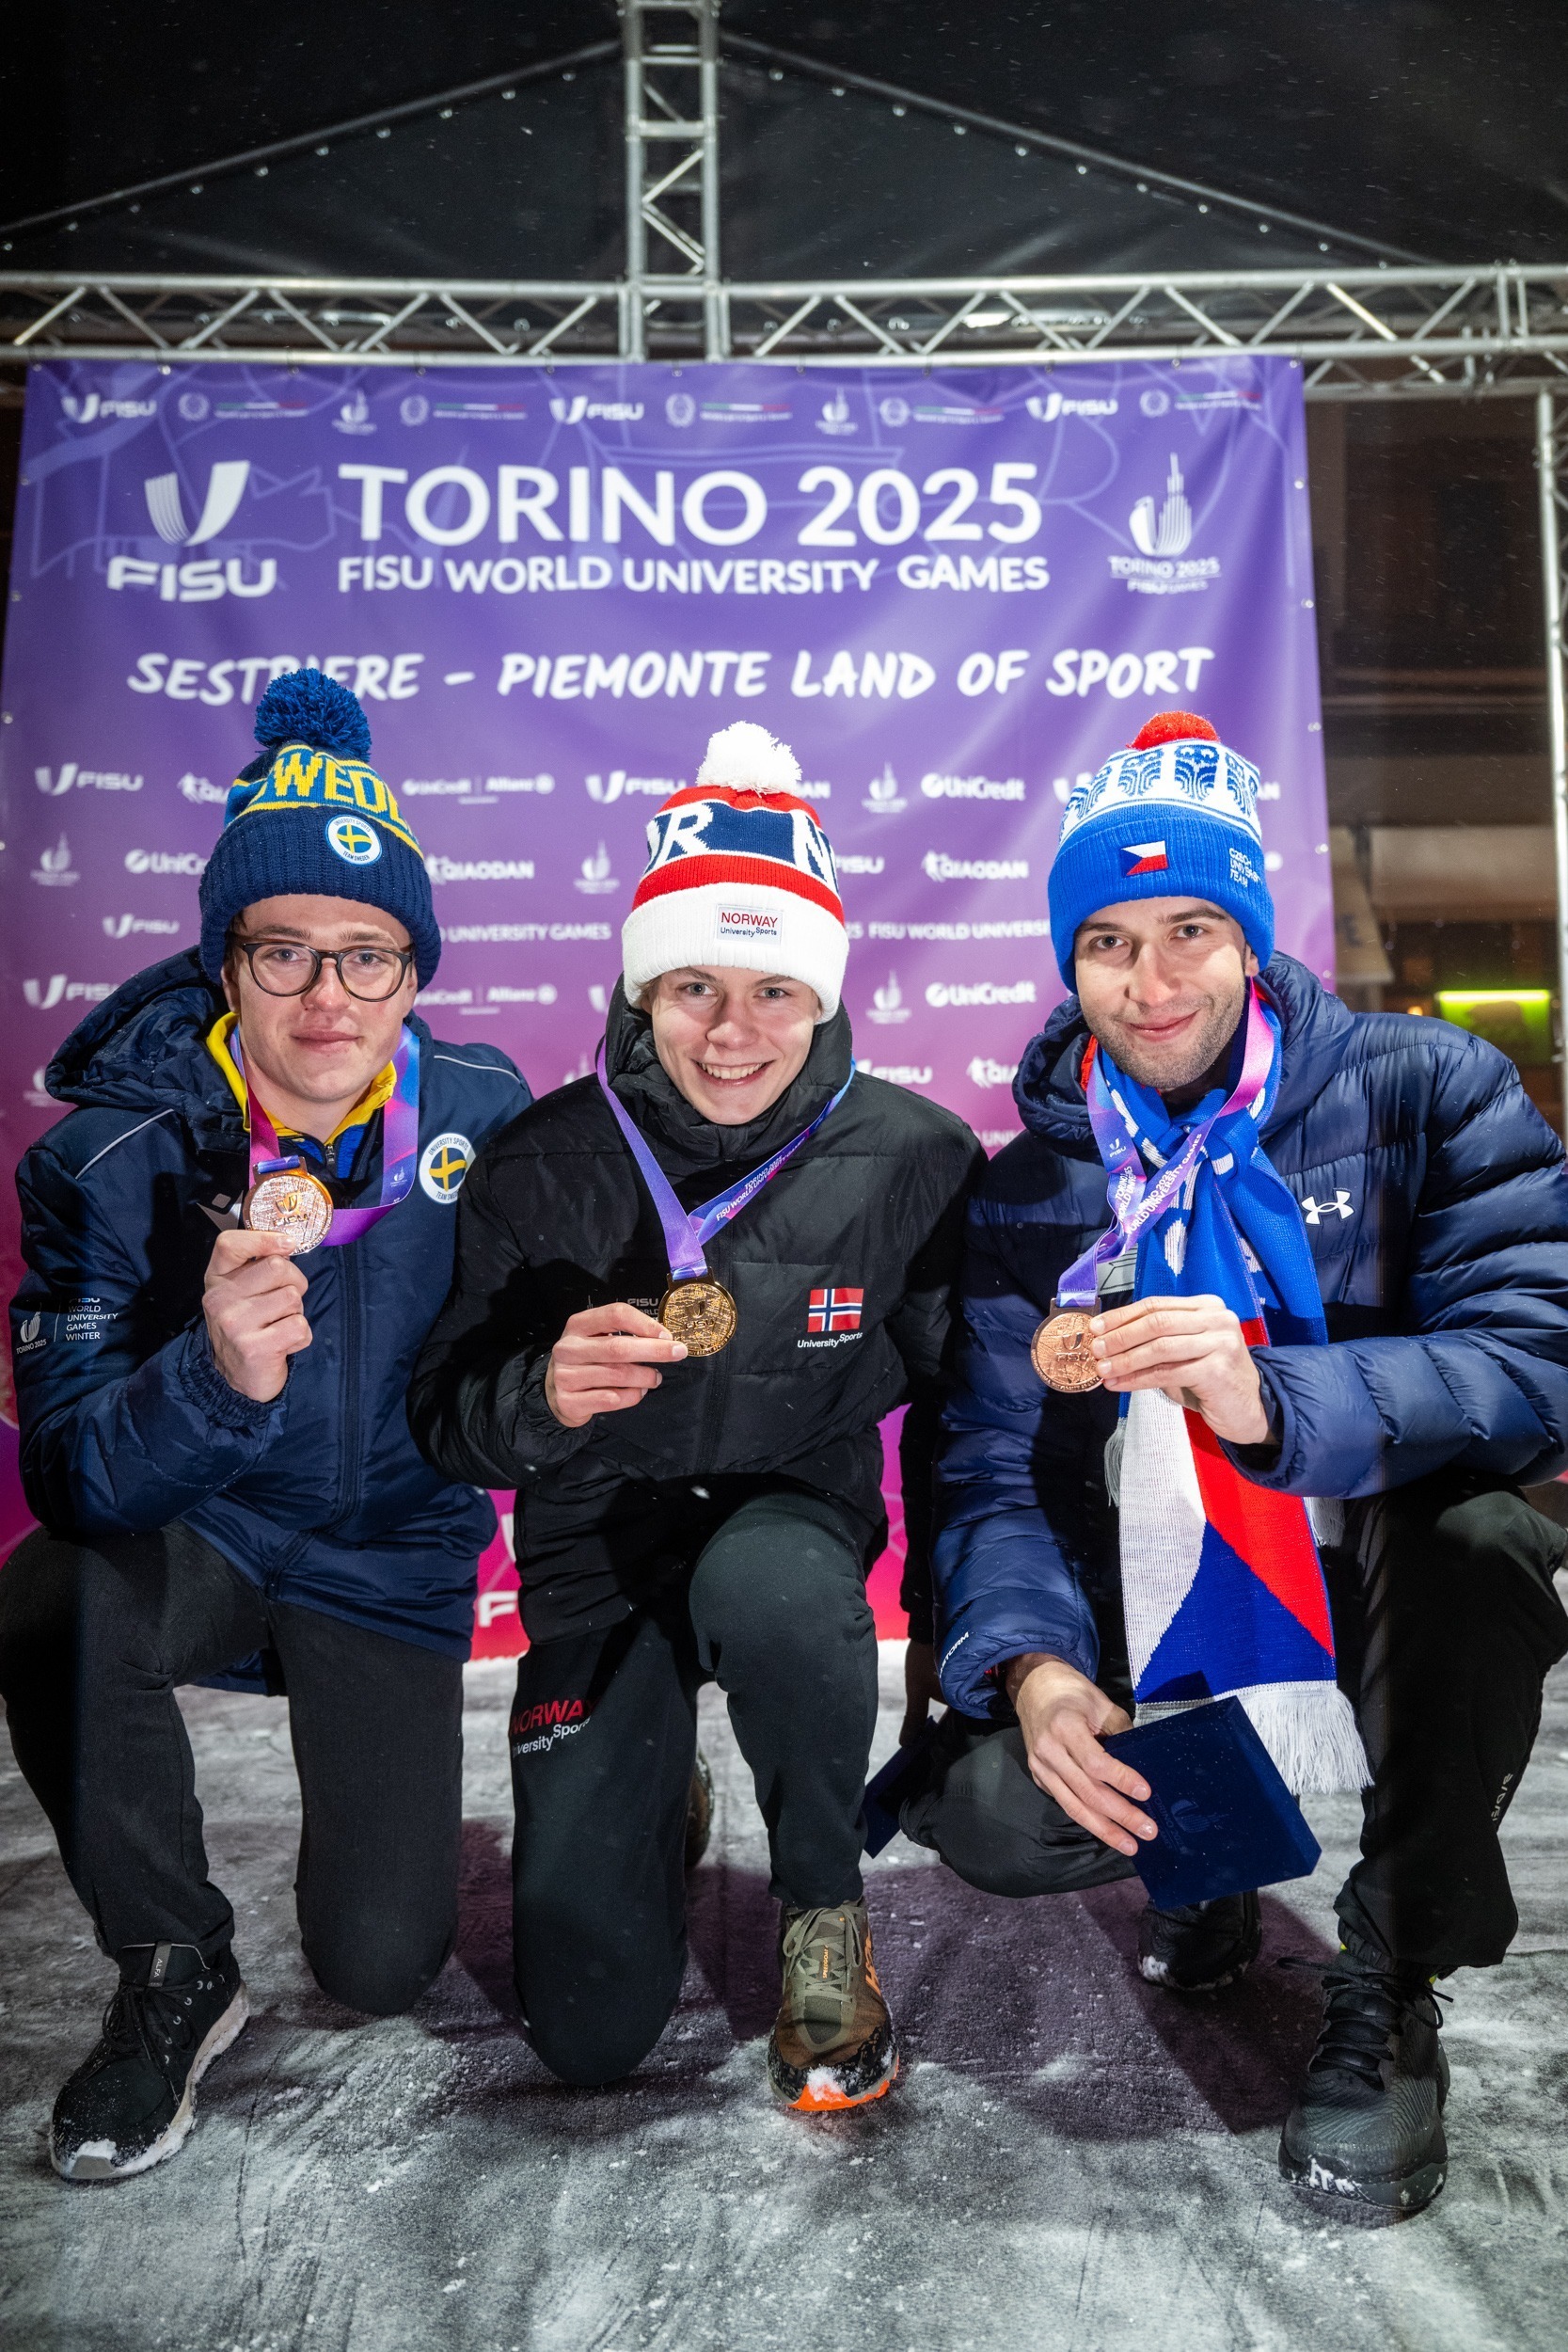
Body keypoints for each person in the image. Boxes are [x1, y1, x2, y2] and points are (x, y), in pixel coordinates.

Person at [911, 709, 1568, 2214]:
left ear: (1255, 940)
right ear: (1069, 963)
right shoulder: (1034, 1181)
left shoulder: (1427, 1089)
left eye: (1193, 929)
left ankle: (1393, 1977)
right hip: (1162, 1576)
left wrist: (1272, 1401)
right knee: (1004, 1803)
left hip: (1373, 1554)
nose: (1152, 984)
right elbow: (995, 1461)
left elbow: (1541, 1362)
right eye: (1110, 943)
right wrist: (1032, 1671)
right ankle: (1204, 1862)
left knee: (1483, 1545)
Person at [0, 674, 529, 2182]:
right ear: (222, 963)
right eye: (283, 951)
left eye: (368, 957)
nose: (327, 1000)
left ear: (414, 972)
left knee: (379, 1965)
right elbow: (68, 1471)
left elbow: (523, 1372)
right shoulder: (109, 1157)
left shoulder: (483, 1111)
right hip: (210, 1530)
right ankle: (173, 1963)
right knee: (51, 1600)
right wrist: (211, 1379)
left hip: (390, 1557)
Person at [409, 721, 982, 2110]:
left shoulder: (915, 1157)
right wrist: (537, 1399)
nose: (734, 1033)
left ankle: (821, 1913)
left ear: (828, 995)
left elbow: (970, 1399)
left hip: (791, 1509)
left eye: (777, 991)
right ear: (638, 991)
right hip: (597, 1542)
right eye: (694, 989)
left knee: (782, 1594)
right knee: (589, 2033)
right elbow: (447, 1420)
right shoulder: (540, 1161)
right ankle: (655, 1791)